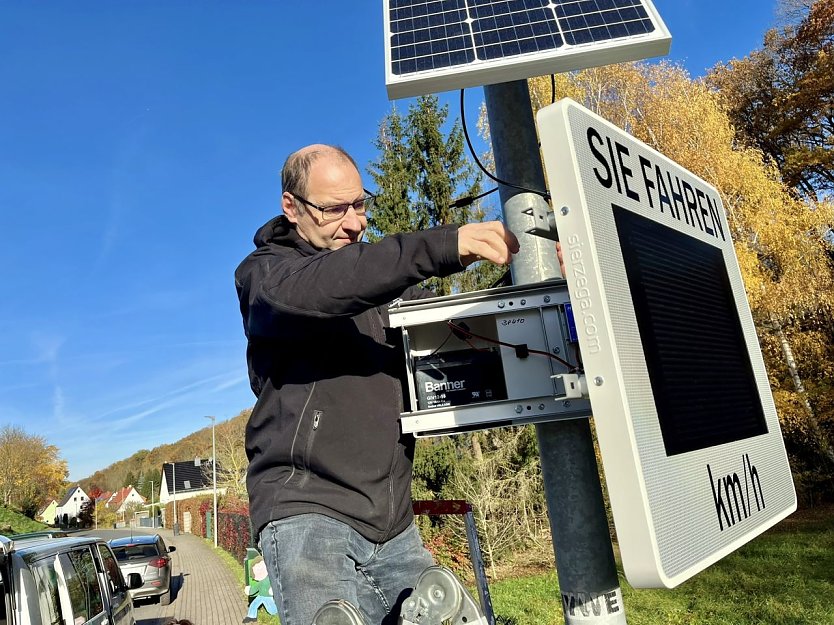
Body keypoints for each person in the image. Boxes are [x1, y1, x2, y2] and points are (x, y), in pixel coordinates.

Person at [235, 144, 519, 625]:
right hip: (307, 515)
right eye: (333, 209)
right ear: (292, 207)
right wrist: (445, 245)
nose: (355, 222)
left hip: (394, 526)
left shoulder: (387, 290)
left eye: (360, 204)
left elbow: (462, 336)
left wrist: (528, 277)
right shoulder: (267, 277)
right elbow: (329, 285)